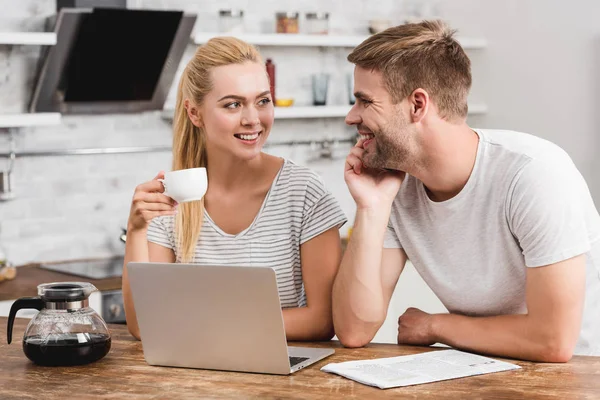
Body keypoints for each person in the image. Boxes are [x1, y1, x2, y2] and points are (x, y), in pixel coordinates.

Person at [332, 20, 600, 362]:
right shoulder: (395, 184)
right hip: (480, 369)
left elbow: (553, 341)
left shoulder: (533, 173)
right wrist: (371, 208)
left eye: (365, 101)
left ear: (417, 105)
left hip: (576, 379)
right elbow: (354, 331)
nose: (351, 117)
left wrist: (435, 326)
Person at [122, 37, 347, 341]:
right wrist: (136, 230)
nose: (253, 119)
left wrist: (211, 326)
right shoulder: (172, 198)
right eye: (233, 104)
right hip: (194, 377)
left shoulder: (303, 192)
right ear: (194, 113)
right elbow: (143, 325)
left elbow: (322, 320)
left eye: (263, 101)